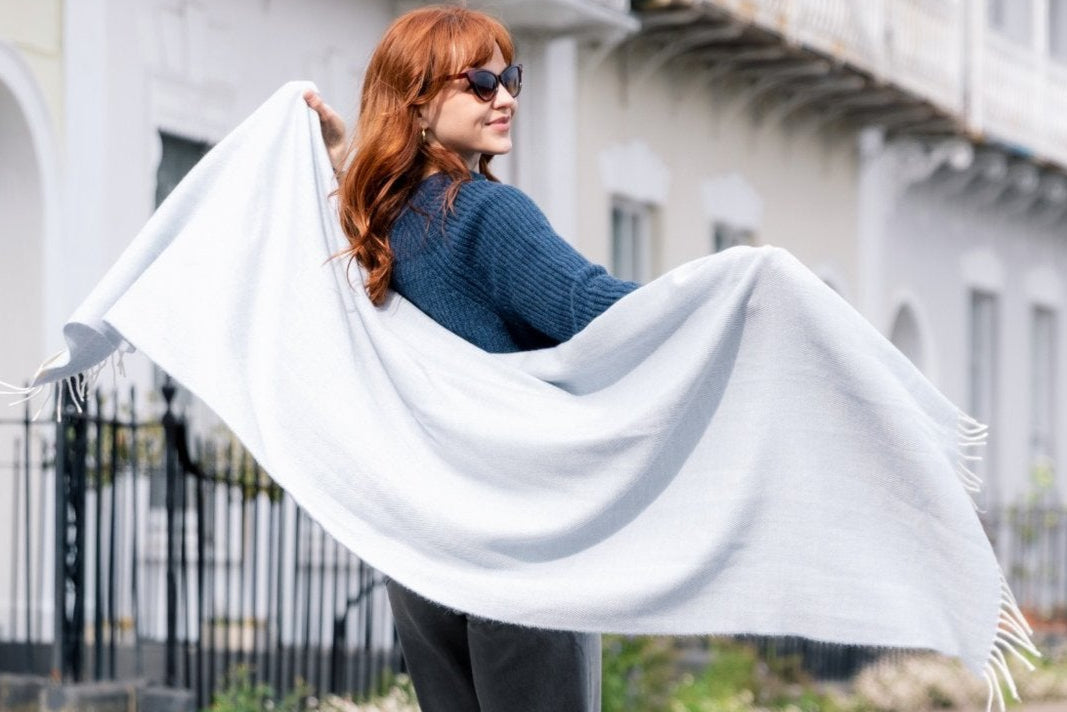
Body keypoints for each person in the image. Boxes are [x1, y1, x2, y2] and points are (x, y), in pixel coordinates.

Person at [304, 5, 638, 710]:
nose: (507, 97)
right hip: (518, 537)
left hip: (424, 546)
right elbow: (601, 314)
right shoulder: (487, 213)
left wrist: (338, 162)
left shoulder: (376, 230)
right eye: (480, 84)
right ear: (417, 106)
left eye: (510, 77)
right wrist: (734, 291)